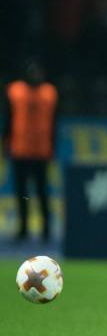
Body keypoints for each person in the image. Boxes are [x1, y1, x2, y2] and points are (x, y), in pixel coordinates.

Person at [2, 61, 58, 242]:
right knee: (21, 192)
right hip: (20, 149)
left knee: (42, 192)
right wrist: (6, 144)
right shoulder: (15, 91)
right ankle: (23, 229)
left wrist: (53, 146)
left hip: (41, 150)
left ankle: (46, 229)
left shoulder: (49, 93)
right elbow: (8, 119)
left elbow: (55, 122)